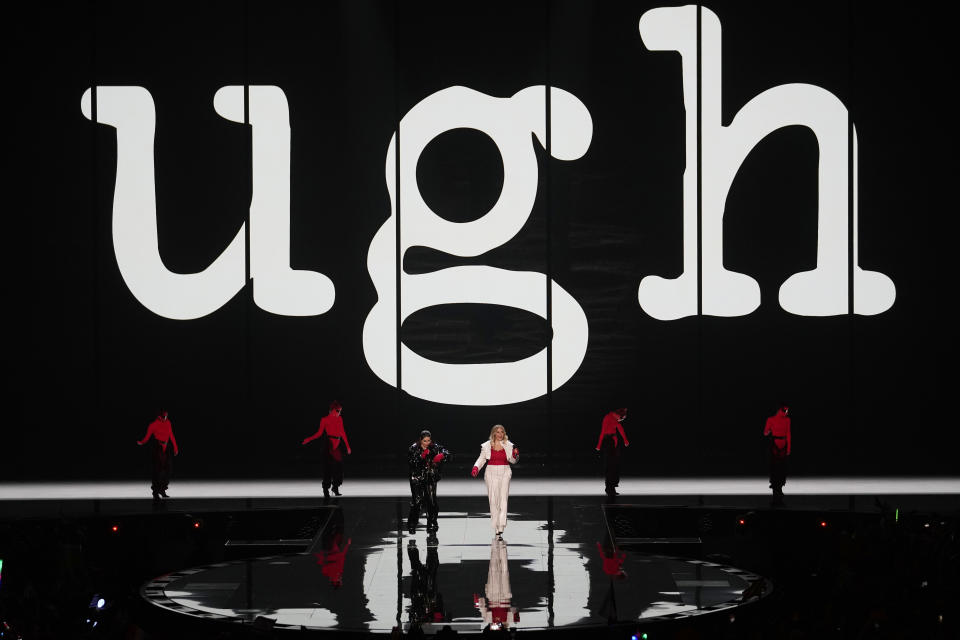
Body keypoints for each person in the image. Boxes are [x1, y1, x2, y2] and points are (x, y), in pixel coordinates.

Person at [471, 425, 519, 538]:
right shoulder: (487, 445)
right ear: (493, 433)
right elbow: (482, 458)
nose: (500, 434)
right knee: (493, 500)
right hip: (491, 472)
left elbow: (513, 461)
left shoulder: (509, 445)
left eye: (502, 432)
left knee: (503, 499)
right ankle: (496, 525)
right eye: (498, 432)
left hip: (505, 471)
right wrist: (476, 467)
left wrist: (515, 455)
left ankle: (501, 525)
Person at [302, 401, 352, 498]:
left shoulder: (340, 419)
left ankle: (335, 487)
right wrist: (309, 439)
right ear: (332, 410)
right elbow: (319, 433)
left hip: (337, 444)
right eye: (338, 411)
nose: (339, 413)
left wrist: (347, 446)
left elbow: (343, 432)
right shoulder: (324, 420)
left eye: (340, 411)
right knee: (328, 468)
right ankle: (326, 490)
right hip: (328, 443)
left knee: (339, 468)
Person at [408, 430, 450, 534]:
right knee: (417, 501)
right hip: (417, 477)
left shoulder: (434, 447)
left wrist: (442, 455)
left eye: (428, 440)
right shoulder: (413, 448)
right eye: (425, 441)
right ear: (420, 440)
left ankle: (432, 522)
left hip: (430, 476)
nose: (427, 443)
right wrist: (421, 456)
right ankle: (412, 523)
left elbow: (448, 454)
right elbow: (412, 462)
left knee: (431, 501)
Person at [137, 410, 179, 501]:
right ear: (159, 416)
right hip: (158, 447)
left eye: (166, 416)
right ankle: (156, 492)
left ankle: (162, 490)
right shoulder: (153, 425)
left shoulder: (168, 423)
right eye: (164, 416)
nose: (165, 417)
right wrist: (141, 442)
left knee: (168, 469)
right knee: (157, 470)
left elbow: (171, 435)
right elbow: (147, 436)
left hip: (167, 447)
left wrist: (175, 447)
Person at [595, 408, 629, 496]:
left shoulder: (615, 419)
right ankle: (609, 488)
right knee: (610, 466)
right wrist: (599, 445)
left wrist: (625, 440)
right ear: (619, 415)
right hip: (608, 443)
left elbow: (620, 429)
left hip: (613, 443)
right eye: (622, 418)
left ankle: (612, 487)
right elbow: (603, 432)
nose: (621, 420)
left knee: (615, 465)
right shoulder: (608, 418)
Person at [763, 404, 791, 506]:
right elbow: (765, 432)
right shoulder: (772, 419)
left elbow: (788, 433)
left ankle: (778, 491)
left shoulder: (786, 420)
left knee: (780, 468)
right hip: (776, 444)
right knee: (775, 468)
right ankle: (776, 492)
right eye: (785, 411)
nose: (786, 413)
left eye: (787, 411)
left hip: (780, 445)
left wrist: (788, 448)